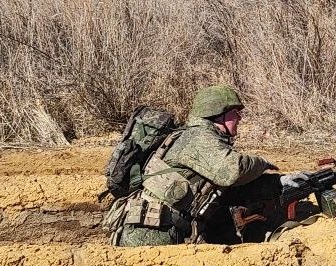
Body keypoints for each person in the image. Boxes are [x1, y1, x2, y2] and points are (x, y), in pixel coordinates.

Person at [115, 85, 305, 246]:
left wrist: (280, 182)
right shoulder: (197, 138)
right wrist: (262, 162)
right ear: (217, 115)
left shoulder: (204, 140)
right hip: (149, 235)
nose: (239, 118)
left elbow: (233, 189)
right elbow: (233, 172)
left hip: (160, 230)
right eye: (235, 113)